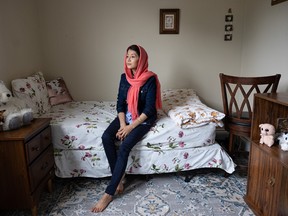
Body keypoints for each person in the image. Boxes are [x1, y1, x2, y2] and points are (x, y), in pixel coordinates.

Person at [91, 45, 162, 213]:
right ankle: (120, 177)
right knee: (106, 137)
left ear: (141, 59)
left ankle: (108, 193)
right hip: (127, 116)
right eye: (127, 56)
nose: (128, 59)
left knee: (124, 146)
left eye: (132, 56)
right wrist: (123, 124)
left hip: (142, 119)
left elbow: (149, 109)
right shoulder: (124, 78)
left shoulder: (150, 79)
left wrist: (130, 128)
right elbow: (120, 103)